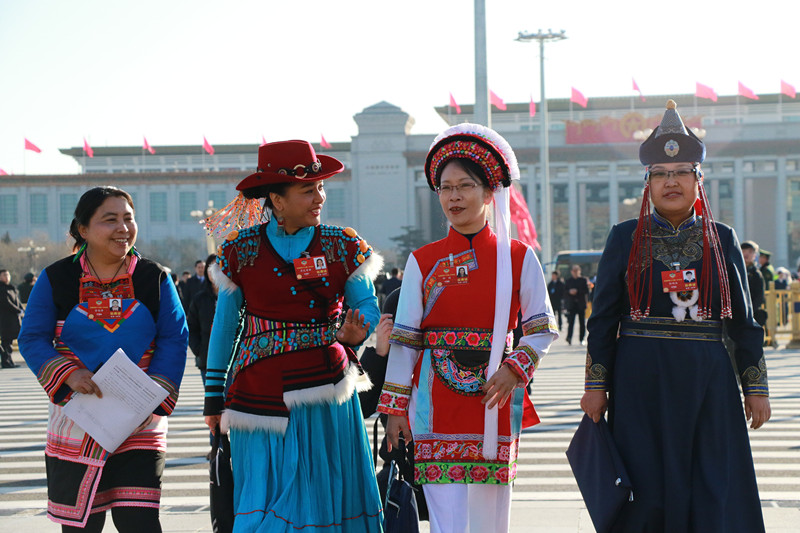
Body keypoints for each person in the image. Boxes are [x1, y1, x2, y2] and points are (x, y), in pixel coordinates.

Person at [581, 100, 770, 532]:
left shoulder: (722, 238)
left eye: (682, 172)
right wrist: (596, 385)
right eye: (661, 174)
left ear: (698, 181)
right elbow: (603, 319)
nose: (671, 181)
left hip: (709, 380)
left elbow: (744, 322)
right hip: (639, 379)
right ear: (648, 182)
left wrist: (755, 388)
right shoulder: (625, 237)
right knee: (647, 490)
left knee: (712, 482)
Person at [377, 124, 558, 533]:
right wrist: (394, 409)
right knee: (447, 518)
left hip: (494, 398)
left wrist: (515, 368)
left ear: (489, 190)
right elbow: (405, 340)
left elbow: (541, 328)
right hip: (433, 402)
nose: (454, 196)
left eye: (465, 186)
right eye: (445, 187)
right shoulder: (422, 260)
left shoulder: (517, 257)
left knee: (492, 520)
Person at [202, 140, 384, 532]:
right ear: (276, 200)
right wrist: (214, 399)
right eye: (307, 190)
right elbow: (224, 327)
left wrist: (356, 329)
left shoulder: (342, 243)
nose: (319, 197)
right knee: (263, 501)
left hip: (326, 390)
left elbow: (367, 304)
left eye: (320, 187)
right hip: (255, 396)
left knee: (325, 494)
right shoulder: (239, 250)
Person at [17, 186, 188, 531]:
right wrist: (68, 374)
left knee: (140, 520)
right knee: (80, 525)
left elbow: (174, 336)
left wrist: (153, 390)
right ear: (83, 229)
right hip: (77, 419)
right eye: (110, 220)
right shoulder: (56, 278)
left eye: (128, 218)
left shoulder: (154, 277)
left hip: (140, 420)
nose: (123, 227)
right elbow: (32, 337)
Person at [187, 254, 218, 384]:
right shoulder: (200, 299)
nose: (215, 272)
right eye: (211, 268)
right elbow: (192, 328)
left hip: (233, 360)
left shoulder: (236, 295)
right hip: (207, 358)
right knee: (213, 401)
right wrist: (198, 349)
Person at [0, 269, 24, 368]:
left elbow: (17, 302)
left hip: (11, 319)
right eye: (4, 275)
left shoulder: (11, 288)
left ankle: (8, 361)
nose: (7, 277)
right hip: (5, 319)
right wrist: (18, 311)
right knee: (6, 341)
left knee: (8, 341)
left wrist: (21, 309)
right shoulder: (2, 289)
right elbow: (6, 303)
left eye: (8, 275)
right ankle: (6, 361)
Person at [741, 241, 767, 327]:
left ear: (755, 255)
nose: (746, 254)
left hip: (752, 312)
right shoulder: (734, 271)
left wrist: (749, 310)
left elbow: (760, 296)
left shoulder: (756, 274)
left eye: (750, 252)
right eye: (744, 251)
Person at [564, 265, 590, 345]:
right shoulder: (568, 281)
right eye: (573, 271)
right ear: (571, 271)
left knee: (582, 323)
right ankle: (569, 338)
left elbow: (586, 291)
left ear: (579, 271)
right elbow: (564, 291)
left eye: (576, 271)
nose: (575, 272)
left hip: (580, 304)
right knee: (571, 322)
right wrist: (569, 291)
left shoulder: (583, 280)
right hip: (571, 305)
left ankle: (582, 339)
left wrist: (577, 291)